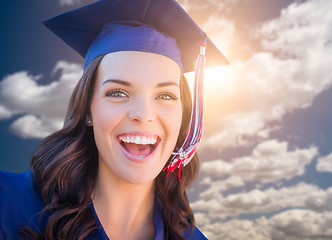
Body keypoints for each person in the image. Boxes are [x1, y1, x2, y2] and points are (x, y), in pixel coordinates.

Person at [0, 0, 228, 239]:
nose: (144, 114)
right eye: (118, 93)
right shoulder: (9, 203)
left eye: (165, 95)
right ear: (88, 109)